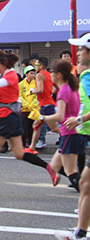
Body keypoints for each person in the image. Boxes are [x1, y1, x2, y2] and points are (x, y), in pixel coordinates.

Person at [0, 50, 60, 196]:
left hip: (6, 118)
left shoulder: (11, 75)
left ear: (2, 63)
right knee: (19, 153)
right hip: (9, 117)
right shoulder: (7, 75)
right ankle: (49, 168)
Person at [54, 33, 90, 240]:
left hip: (76, 130)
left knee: (83, 182)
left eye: (83, 49)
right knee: (84, 182)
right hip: (80, 131)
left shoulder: (85, 77)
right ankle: (80, 232)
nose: (79, 54)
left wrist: (80, 119)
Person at [30, 59, 82, 192]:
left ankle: (85, 194)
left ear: (59, 74)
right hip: (73, 132)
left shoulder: (64, 90)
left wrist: (41, 117)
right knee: (54, 166)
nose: (50, 75)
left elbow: (60, 116)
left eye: (52, 72)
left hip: (69, 133)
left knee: (71, 171)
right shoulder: (72, 88)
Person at [28, 57, 58, 152]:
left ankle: (73, 137)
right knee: (36, 125)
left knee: (54, 128)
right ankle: (32, 147)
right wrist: (50, 92)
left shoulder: (39, 75)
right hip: (46, 103)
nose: (35, 66)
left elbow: (40, 90)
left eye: (36, 65)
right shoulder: (49, 74)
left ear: (41, 66)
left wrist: (32, 92)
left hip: (46, 104)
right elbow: (57, 88)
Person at [19, 66, 39, 151]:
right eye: (30, 73)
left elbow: (37, 96)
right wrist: (27, 105)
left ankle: (31, 143)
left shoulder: (36, 83)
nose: (33, 75)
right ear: (26, 74)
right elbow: (20, 96)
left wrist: (32, 105)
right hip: (24, 109)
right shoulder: (21, 84)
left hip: (34, 109)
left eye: (34, 73)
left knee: (32, 127)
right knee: (23, 127)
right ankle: (23, 144)